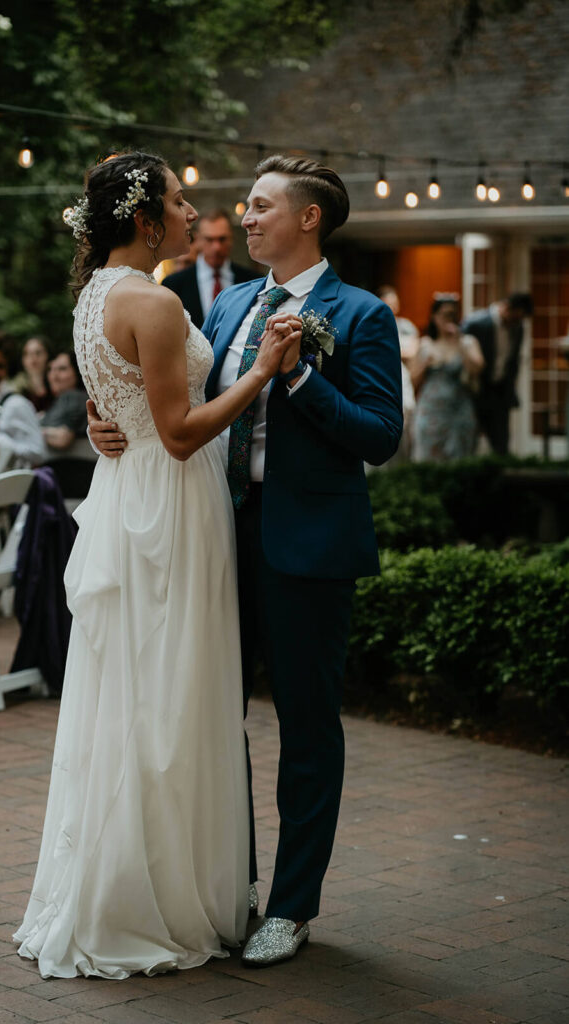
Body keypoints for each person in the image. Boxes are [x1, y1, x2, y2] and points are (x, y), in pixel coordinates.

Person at [88, 154, 403, 966]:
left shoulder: (359, 313)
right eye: (243, 206)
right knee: (208, 718)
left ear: (308, 219)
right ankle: (234, 887)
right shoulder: (225, 304)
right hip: (214, 538)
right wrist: (104, 422)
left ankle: (290, 907)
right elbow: (170, 403)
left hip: (306, 548)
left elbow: (379, 437)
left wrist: (297, 380)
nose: (244, 217)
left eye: (261, 206)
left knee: (305, 730)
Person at [13, 150, 299, 979]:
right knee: (171, 698)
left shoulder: (95, 294)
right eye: (179, 201)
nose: (191, 212)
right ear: (145, 220)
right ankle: (159, 897)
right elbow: (177, 432)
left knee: (132, 695)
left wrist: (110, 427)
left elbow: (122, 412)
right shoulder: (154, 302)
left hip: (127, 493)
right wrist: (259, 372)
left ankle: (124, 882)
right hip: (171, 505)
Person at [411, 295, 484, 462]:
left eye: (453, 315)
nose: (449, 319)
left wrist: (459, 343)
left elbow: (477, 370)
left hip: (459, 410)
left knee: (460, 457)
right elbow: (412, 381)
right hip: (431, 411)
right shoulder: (425, 344)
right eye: (444, 314)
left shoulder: (468, 342)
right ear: (434, 317)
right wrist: (424, 365)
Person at [461, 293, 534, 455]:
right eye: (516, 317)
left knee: (501, 443)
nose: (517, 322)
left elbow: (513, 360)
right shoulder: (477, 323)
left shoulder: (517, 328)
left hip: (500, 392)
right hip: (475, 390)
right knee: (468, 441)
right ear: (506, 307)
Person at [161, 208, 258, 327]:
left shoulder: (252, 281)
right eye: (209, 239)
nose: (216, 247)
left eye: (222, 239)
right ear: (198, 239)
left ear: (231, 239)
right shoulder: (174, 284)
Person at [377, 285, 419, 461]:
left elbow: (413, 351)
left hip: (402, 376)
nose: (392, 307)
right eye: (388, 303)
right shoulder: (373, 326)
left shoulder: (405, 326)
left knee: (405, 421)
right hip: (381, 375)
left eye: (395, 303)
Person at [40, 349, 88, 452]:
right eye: (50, 369)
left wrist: (31, 430)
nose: (54, 376)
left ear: (78, 370)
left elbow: (62, 438)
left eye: (62, 369)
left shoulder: (73, 397)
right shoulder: (61, 400)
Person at [17, 335, 53, 413]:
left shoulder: (56, 384)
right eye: (28, 353)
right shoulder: (17, 387)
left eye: (38, 353)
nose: (33, 358)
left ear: (48, 355)